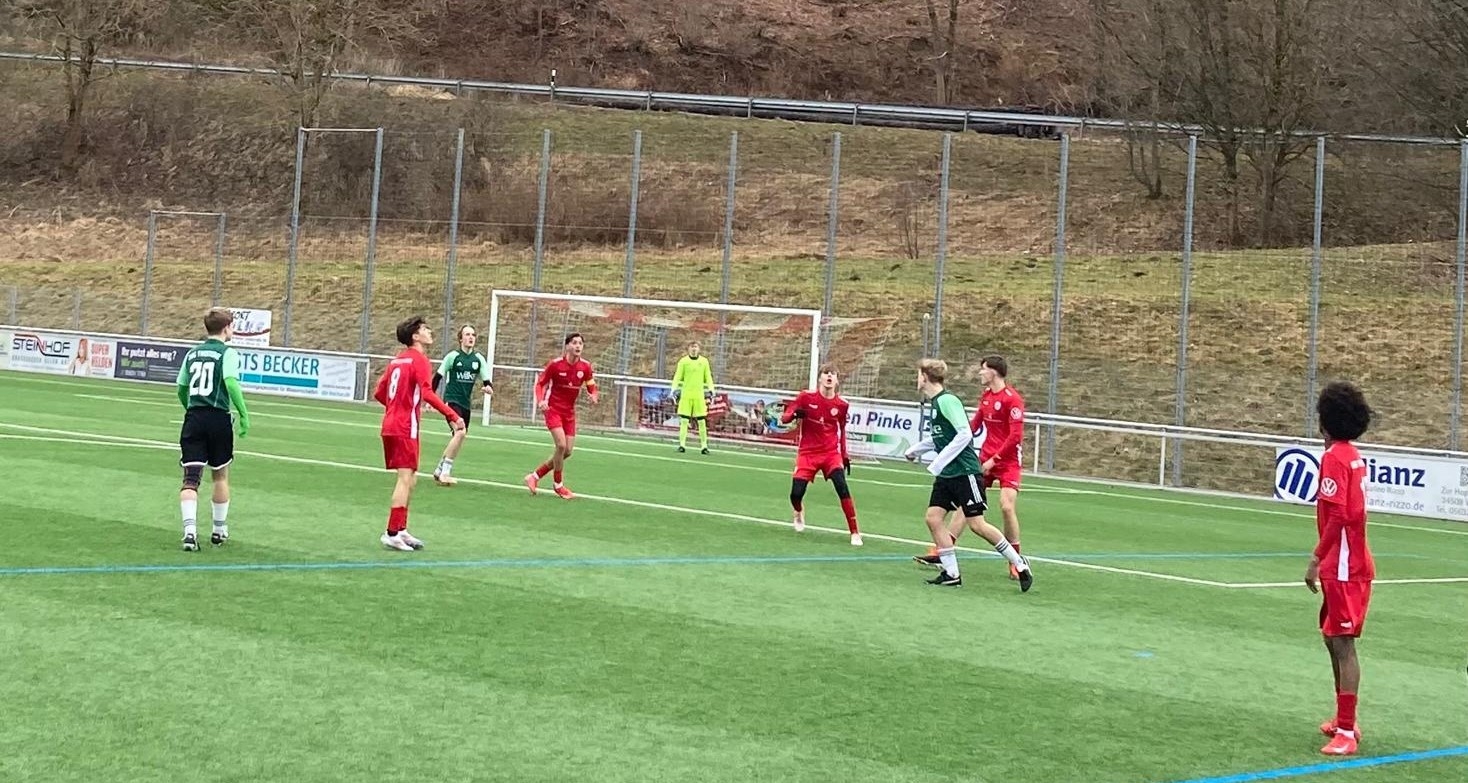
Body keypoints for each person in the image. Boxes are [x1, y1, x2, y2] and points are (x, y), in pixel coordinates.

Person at [904, 358, 1031, 591]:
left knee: (978, 524)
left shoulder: (947, 400)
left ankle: (1019, 562)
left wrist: (938, 462)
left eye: (918, 374)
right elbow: (943, 436)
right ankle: (951, 573)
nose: (916, 379)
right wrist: (915, 450)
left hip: (965, 471)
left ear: (925, 377)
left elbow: (964, 434)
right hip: (949, 473)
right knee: (933, 518)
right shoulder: (938, 402)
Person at [1306, 380, 1375, 757]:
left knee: (1343, 644)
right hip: (1347, 561)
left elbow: (1340, 516)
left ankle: (1347, 730)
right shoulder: (1352, 455)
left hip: (1345, 565)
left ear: (1325, 421)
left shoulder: (1335, 457)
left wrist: (1316, 558)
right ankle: (1342, 717)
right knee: (1332, 638)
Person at [374, 316, 464, 552]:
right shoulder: (419, 360)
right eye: (425, 329)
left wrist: (396, 408)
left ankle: (401, 529)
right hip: (406, 427)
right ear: (415, 336)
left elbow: (380, 392)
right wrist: (452, 415)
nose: (429, 331)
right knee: (405, 479)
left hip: (391, 424)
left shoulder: (397, 360)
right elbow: (428, 393)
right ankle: (391, 533)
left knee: (410, 477)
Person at [176, 308, 251, 552]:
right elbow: (230, 382)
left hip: (194, 417)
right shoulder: (227, 353)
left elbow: (181, 387)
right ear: (227, 328)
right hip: (218, 418)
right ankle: (218, 530)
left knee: (190, 479)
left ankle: (189, 533)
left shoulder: (193, 353)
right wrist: (243, 413)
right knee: (220, 475)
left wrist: (191, 409)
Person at [780, 365, 862, 546]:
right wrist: (794, 414)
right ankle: (798, 511)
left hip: (830, 454)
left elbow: (842, 430)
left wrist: (844, 455)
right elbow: (784, 418)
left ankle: (855, 532)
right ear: (820, 378)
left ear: (837, 380)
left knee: (842, 486)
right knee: (796, 494)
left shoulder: (842, 405)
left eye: (833, 374)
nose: (829, 376)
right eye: (826, 373)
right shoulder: (805, 397)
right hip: (807, 453)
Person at [525, 333, 599, 499]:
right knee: (561, 446)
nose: (578, 346)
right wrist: (541, 401)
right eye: (574, 343)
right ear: (567, 346)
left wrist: (593, 395)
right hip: (553, 410)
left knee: (567, 451)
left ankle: (535, 476)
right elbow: (540, 384)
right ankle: (558, 485)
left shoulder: (585, 367)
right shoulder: (555, 365)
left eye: (580, 343)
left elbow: (592, 386)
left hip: (569, 413)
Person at [430, 324, 493, 486]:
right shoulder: (453, 357)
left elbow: (487, 381)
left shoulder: (478, 359)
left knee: (458, 437)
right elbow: (437, 378)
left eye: (473, 335)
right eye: (467, 334)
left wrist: (488, 388)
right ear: (460, 338)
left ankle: (439, 469)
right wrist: (430, 399)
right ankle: (445, 473)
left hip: (465, 405)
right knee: (460, 431)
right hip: (452, 401)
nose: (471, 337)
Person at [671, 340, 715, 454]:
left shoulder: (704, 362)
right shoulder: (683, 362)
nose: (694, 349)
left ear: (699, 349)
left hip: (699, 395)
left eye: (695, 347)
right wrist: (673, 389)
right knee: (684, 420)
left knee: (701, 421)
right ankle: (682, 445)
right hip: (686, 395)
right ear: (688, 349)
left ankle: (704, 446)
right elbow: (677, 376)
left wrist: (711, 389)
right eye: (692, 347)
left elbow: (708, 377)